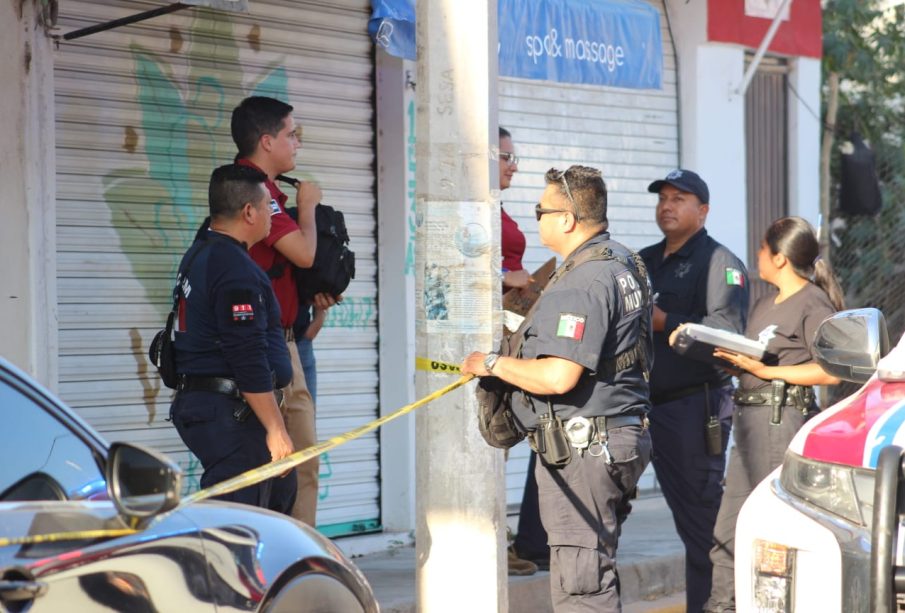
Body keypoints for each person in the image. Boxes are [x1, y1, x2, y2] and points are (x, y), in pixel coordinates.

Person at [463, 165, 653, 612]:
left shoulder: (582, 282)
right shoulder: (624, 261)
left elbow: (558, 376)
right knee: (593, 568)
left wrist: (491, 363)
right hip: (614, 436)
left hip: (586, 447)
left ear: (567, 219)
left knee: (581, 586)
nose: (538, 218)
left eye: (541, 210)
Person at [703, 217, 844, 612]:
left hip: (782, 421)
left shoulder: (812, 301)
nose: (757, 257)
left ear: (780, 258)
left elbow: (831, 370)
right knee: (727, 532)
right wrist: (740, 364)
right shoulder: (766, 302)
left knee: (774, 536)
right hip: (749, 422)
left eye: (763, 250)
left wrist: (768, 372)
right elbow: (762, 360)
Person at [639, 169, 749, 613]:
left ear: (702, 211)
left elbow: (727, 337)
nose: (667, 205)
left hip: (692, 407)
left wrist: (666, 322)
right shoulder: (642, 261)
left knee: (702, 525)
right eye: (663, 198)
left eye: (679, 198)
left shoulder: (719, 262)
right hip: (640, 408)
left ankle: (717, 605)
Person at [169, 163, 296, 512]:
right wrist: (275, 428)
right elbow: (246, 354)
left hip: (214, 408)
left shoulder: (204, 252)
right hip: (230, 414)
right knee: (239, 522)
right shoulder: (233, 269)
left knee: (274, 499)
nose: (273, 215)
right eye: (269, 206)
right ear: (249, 211)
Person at [231, 96, 321, 526]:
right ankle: (299, 561)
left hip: (287, 338)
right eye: (291, 134)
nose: (297, 143)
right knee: (297, 465)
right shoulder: (255, 192)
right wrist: (308, 207)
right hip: (269, 348)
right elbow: (303, 254)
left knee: (293, 465)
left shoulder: (256, 189)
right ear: (267, 142)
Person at [495, 127, 545, 576]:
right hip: (488, 342)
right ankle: (489, 545)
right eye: (506, 156)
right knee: (491, 438)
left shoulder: (497, 206)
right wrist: (503, 276)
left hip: (512, 335)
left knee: (504, 442)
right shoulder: (467, 208)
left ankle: (498, 538)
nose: (513, 165)